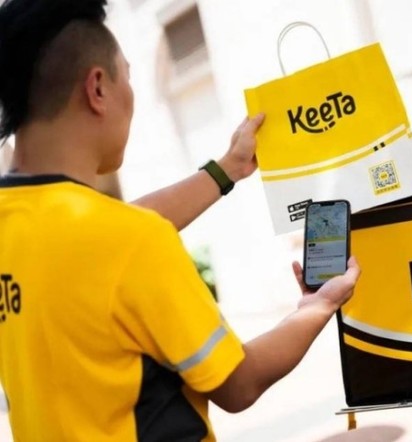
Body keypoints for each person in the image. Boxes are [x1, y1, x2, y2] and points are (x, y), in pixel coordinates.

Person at [0, 0, 361, 440]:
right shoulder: (131, 241)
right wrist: (317, 306)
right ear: (97, 89)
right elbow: (239, 383)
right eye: (127, 76)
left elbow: (103, 237)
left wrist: (227, 169)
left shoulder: (25, 222)